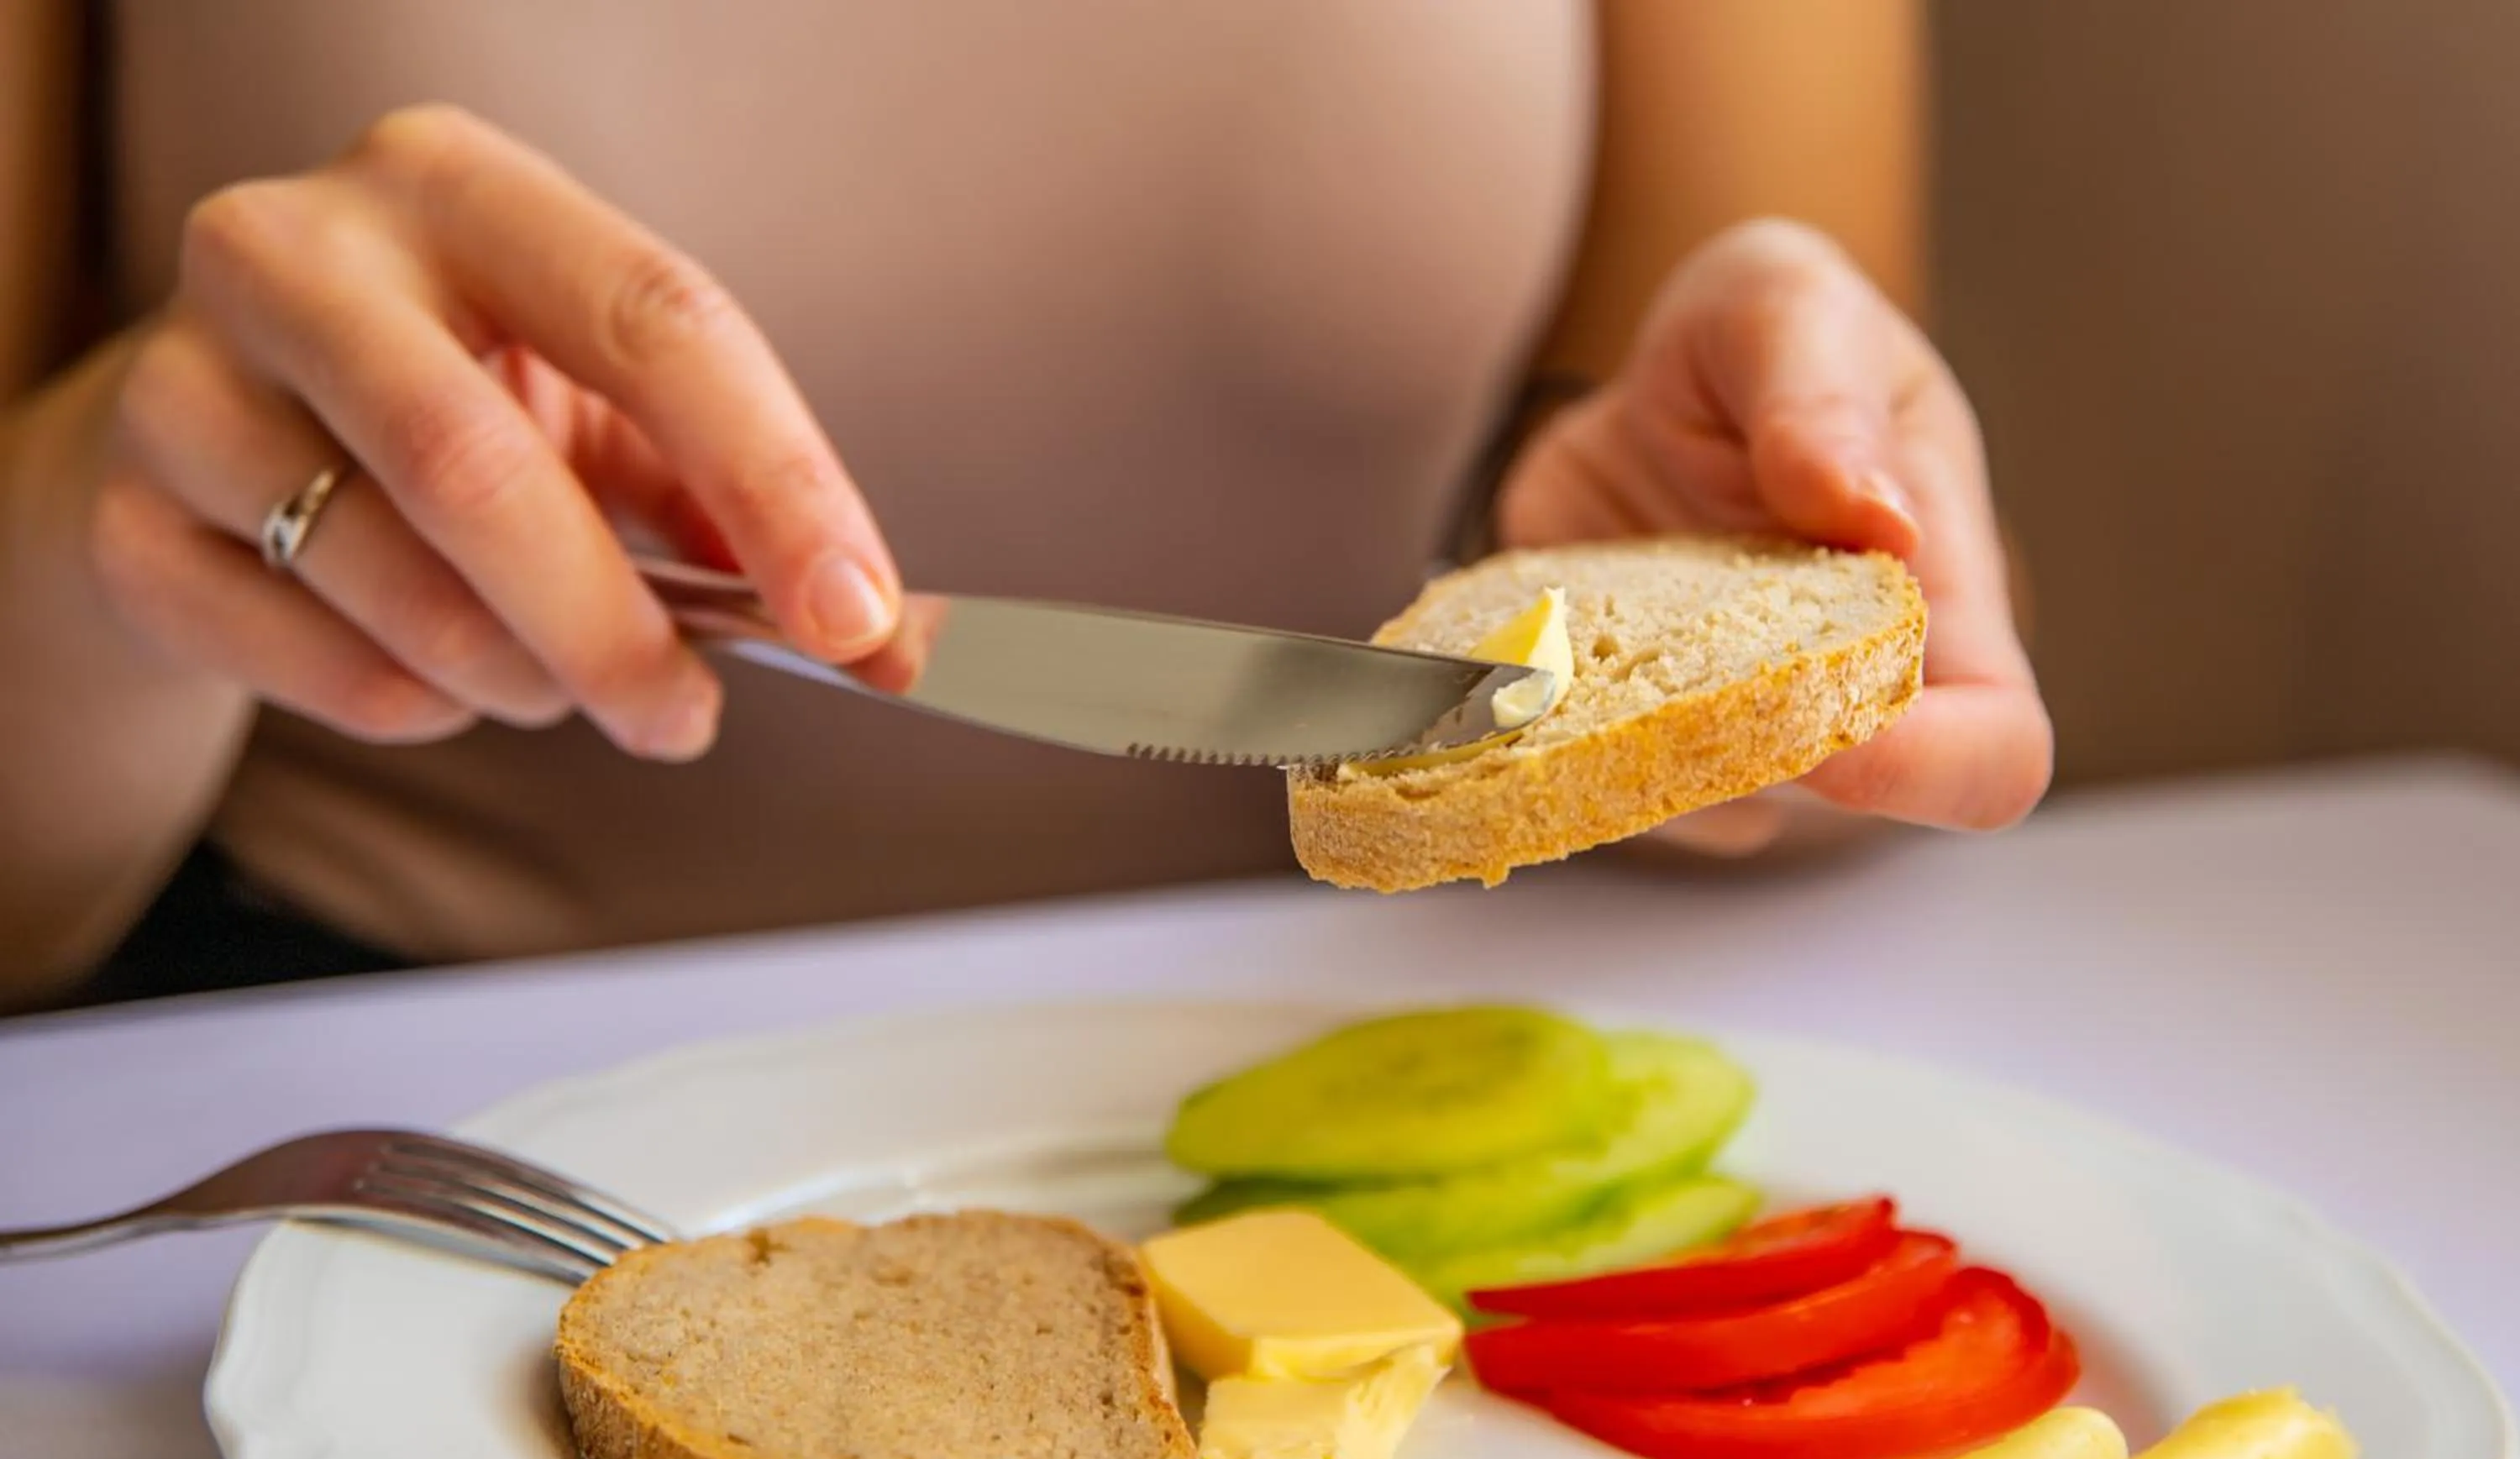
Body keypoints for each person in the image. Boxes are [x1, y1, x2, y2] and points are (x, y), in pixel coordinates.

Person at [0, 0, 2050, 1013]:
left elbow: (1793, 643)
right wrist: (127, 520)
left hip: (1329, 1065)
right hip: (343, 1074)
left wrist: (1737, 647)